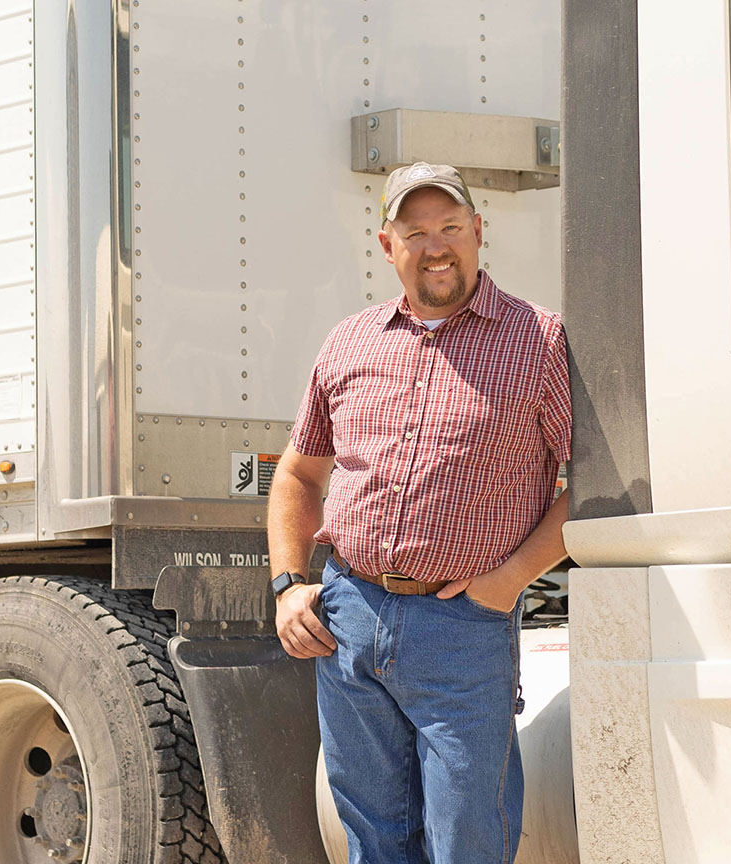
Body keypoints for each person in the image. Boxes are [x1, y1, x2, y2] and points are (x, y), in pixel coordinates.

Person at [265, 161, 571, 864]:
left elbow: (592, 483)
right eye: (417, 232)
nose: (437, 246)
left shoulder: (540, 340)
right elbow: (298, 475)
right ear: (387, 246)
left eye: (451, 228)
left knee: (468, 842)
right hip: (350, 620)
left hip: (464, 625)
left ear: (478, 233)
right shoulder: (349, 343)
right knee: (374, 841)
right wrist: (288, 587)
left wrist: (509, 581)